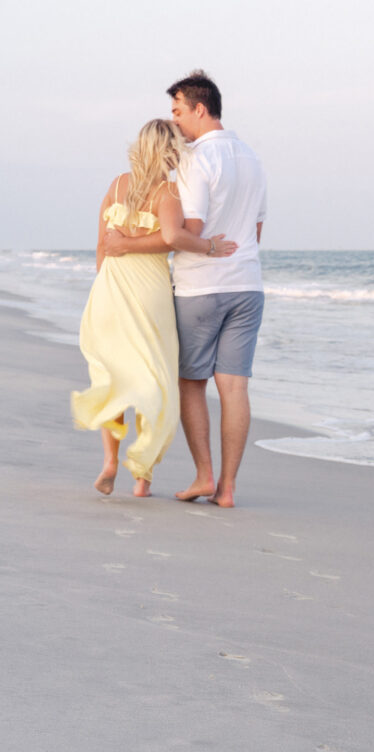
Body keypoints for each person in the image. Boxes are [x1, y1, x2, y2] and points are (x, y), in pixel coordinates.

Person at [103, 70, 267, 507]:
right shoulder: (252, 157)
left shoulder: (195, 159)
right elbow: (255, 230)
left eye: (177, 111)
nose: (174, 121)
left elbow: (184, 233)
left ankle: (204, 476)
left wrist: (127, 244)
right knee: (235, 387)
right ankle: (227, 489)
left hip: (201, 288)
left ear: (199, 108)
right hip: (248, 286)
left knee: (191, 382)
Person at [72, 119, 236, 497]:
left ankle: (110, 461)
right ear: (168, 152)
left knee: (113, 379)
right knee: (153, 382)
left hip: (109, 291)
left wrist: (107, 284)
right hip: (150, 294)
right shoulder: (169, 192)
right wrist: (210, 246)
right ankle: (142, 478)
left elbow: (101, 246)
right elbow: (171, 239)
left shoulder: (117, 185)